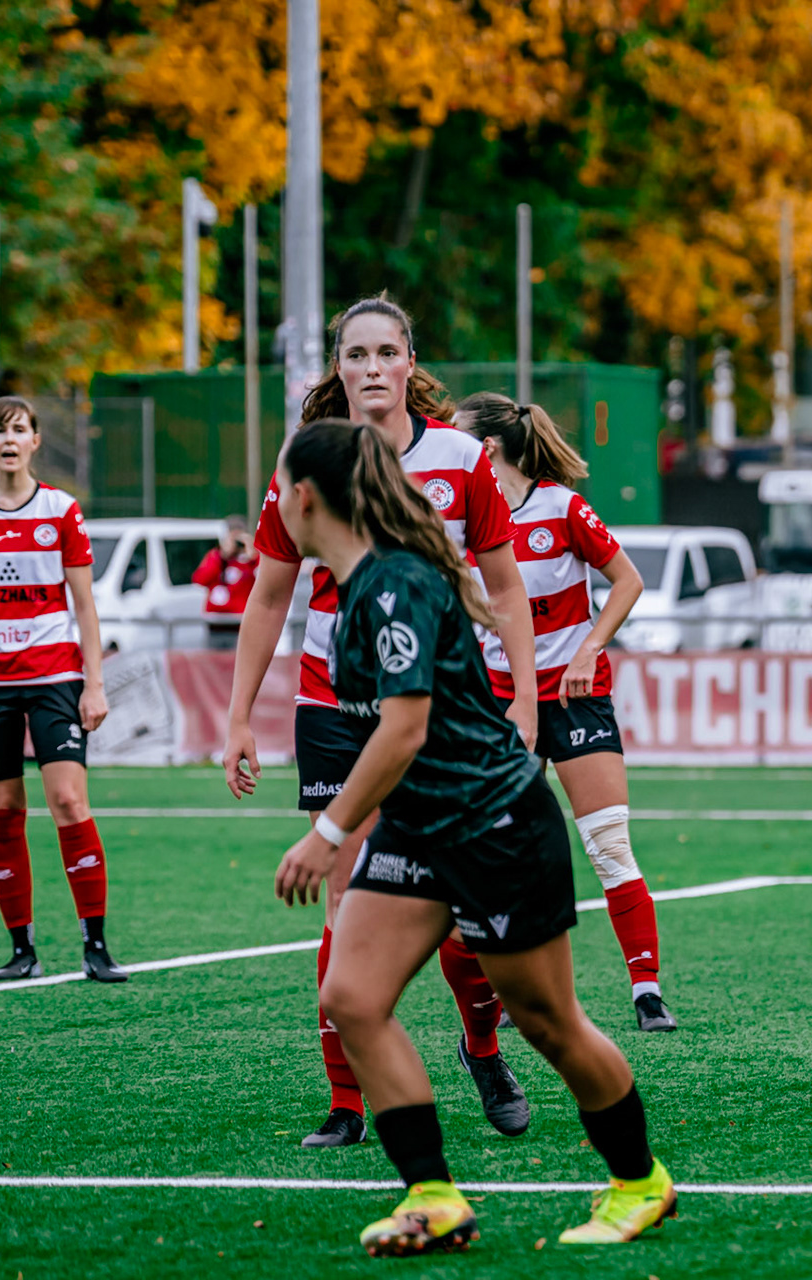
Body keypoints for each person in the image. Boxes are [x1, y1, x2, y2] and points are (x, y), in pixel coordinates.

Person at [268, 421, 674, 1256]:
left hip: (495, 823)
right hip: (423, 825)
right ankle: (433, 1196)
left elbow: (406, 728)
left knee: (549, 1023)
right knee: (351, 998)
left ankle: (641, 1183)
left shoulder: (393, 585)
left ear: (305, 498)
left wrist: (329, 831)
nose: (273, 502)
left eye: (278, 486)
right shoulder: (356, 587)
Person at [222, 295, 542, 1149]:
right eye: (354, 354)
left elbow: (506, 591)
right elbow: (268, 594)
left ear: (410, 363)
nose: (370, 368)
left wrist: (524, 696)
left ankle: (481, 1047)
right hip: (332, 703)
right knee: (346, 898)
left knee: (459, 905)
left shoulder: (462, 459)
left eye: (385, 352)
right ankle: (348, 1100)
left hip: (439, 712)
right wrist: (239, 717)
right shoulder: (307, 463)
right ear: (338, 368)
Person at [455, 392, 678, 1032]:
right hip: (501, 702)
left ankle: (646, 992)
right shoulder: (463, 520)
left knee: (609, 845)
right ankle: (496, 1004)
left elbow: (628, 581)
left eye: (459, 437)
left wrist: (588, 648)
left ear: (487, 448)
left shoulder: (563, 507)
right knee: (498, 857)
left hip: (576, 696)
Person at [0, 396, 126, 983]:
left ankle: (95, 945)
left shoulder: (62, 511)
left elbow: (86, 605)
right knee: (4, 810)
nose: (9, 438)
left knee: (68, 802)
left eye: (20, 429)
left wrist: (95, 684)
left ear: (36, 441)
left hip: (54, 678)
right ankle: (23, 951)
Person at [191, 515, 259, 650]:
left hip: (240, 623)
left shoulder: (251, 560)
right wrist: (222, 556)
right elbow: (199, 579)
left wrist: (253, 555)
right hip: (216, 623)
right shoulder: (215, 556)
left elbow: (263, 580)